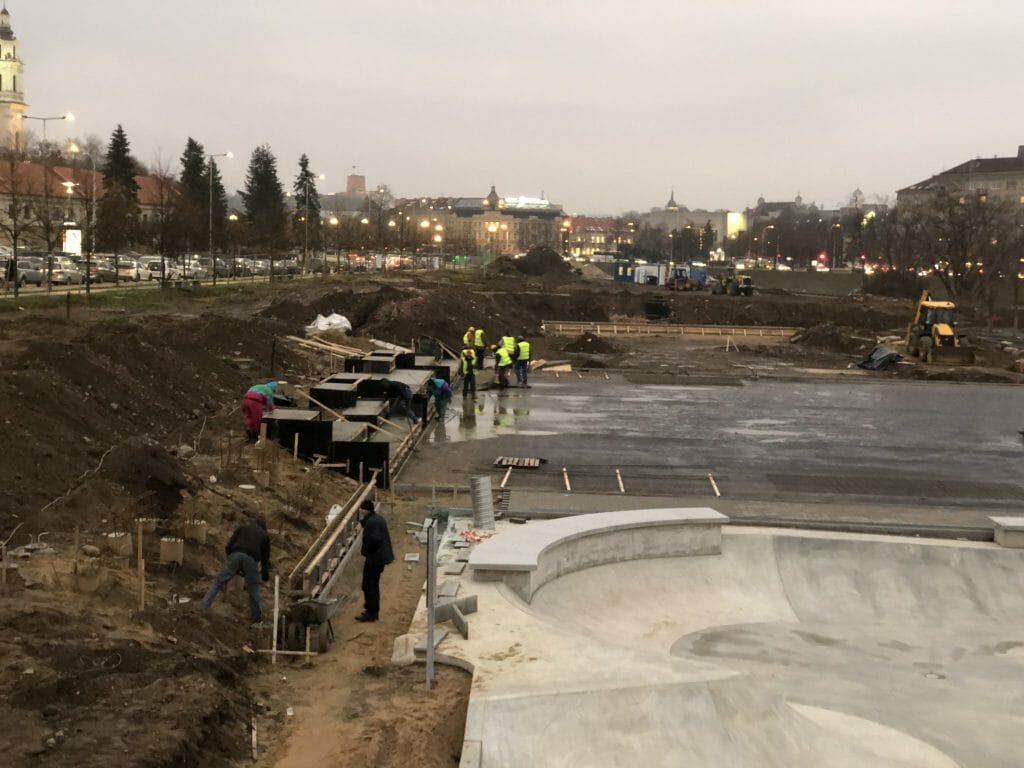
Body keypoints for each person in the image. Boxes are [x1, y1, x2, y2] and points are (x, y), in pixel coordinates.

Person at [199, 517, 271, 625]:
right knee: (254, 588)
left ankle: (203, 606)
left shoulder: (242, 528)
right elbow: (265, 560)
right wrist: (265, 576)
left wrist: (231, 560)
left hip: (236, 554)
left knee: (218, 582)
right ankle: (256, 620)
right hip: (251, 560)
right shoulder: (265, 536)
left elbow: (229, 546)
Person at [356, 499, 394, 622]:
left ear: (364, 509)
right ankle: (372, 611)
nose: (360, 512)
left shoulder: (372, 522)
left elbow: (375, 539)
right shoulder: (377, 519)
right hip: (379, 558)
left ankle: (371, 613)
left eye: (361, 510)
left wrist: (367, 551)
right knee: (371, 584)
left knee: (369, 585)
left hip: (374, 559)